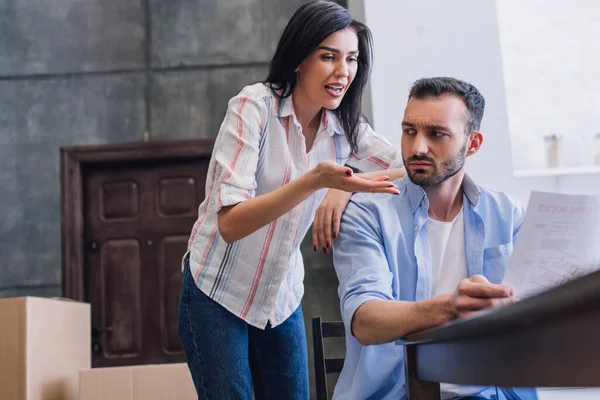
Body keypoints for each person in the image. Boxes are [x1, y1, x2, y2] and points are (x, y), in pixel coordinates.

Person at [177, 1, 406, 399]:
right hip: (217, 290)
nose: (343, 72)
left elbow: (410, 166)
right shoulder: (254, 107)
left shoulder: (346, 128)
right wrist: (315, 181)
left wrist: (340, 189)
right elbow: (229, 223)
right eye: (328, 57)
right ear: (299, 57)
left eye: (351, 59)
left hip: (279, 297)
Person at [332, 77, 539, 400]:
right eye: (409, 131)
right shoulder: (368, 214)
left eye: (436, 134)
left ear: (473, 143)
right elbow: (365, 320)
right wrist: (449, 309)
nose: (417, 148)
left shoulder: (509, 215)